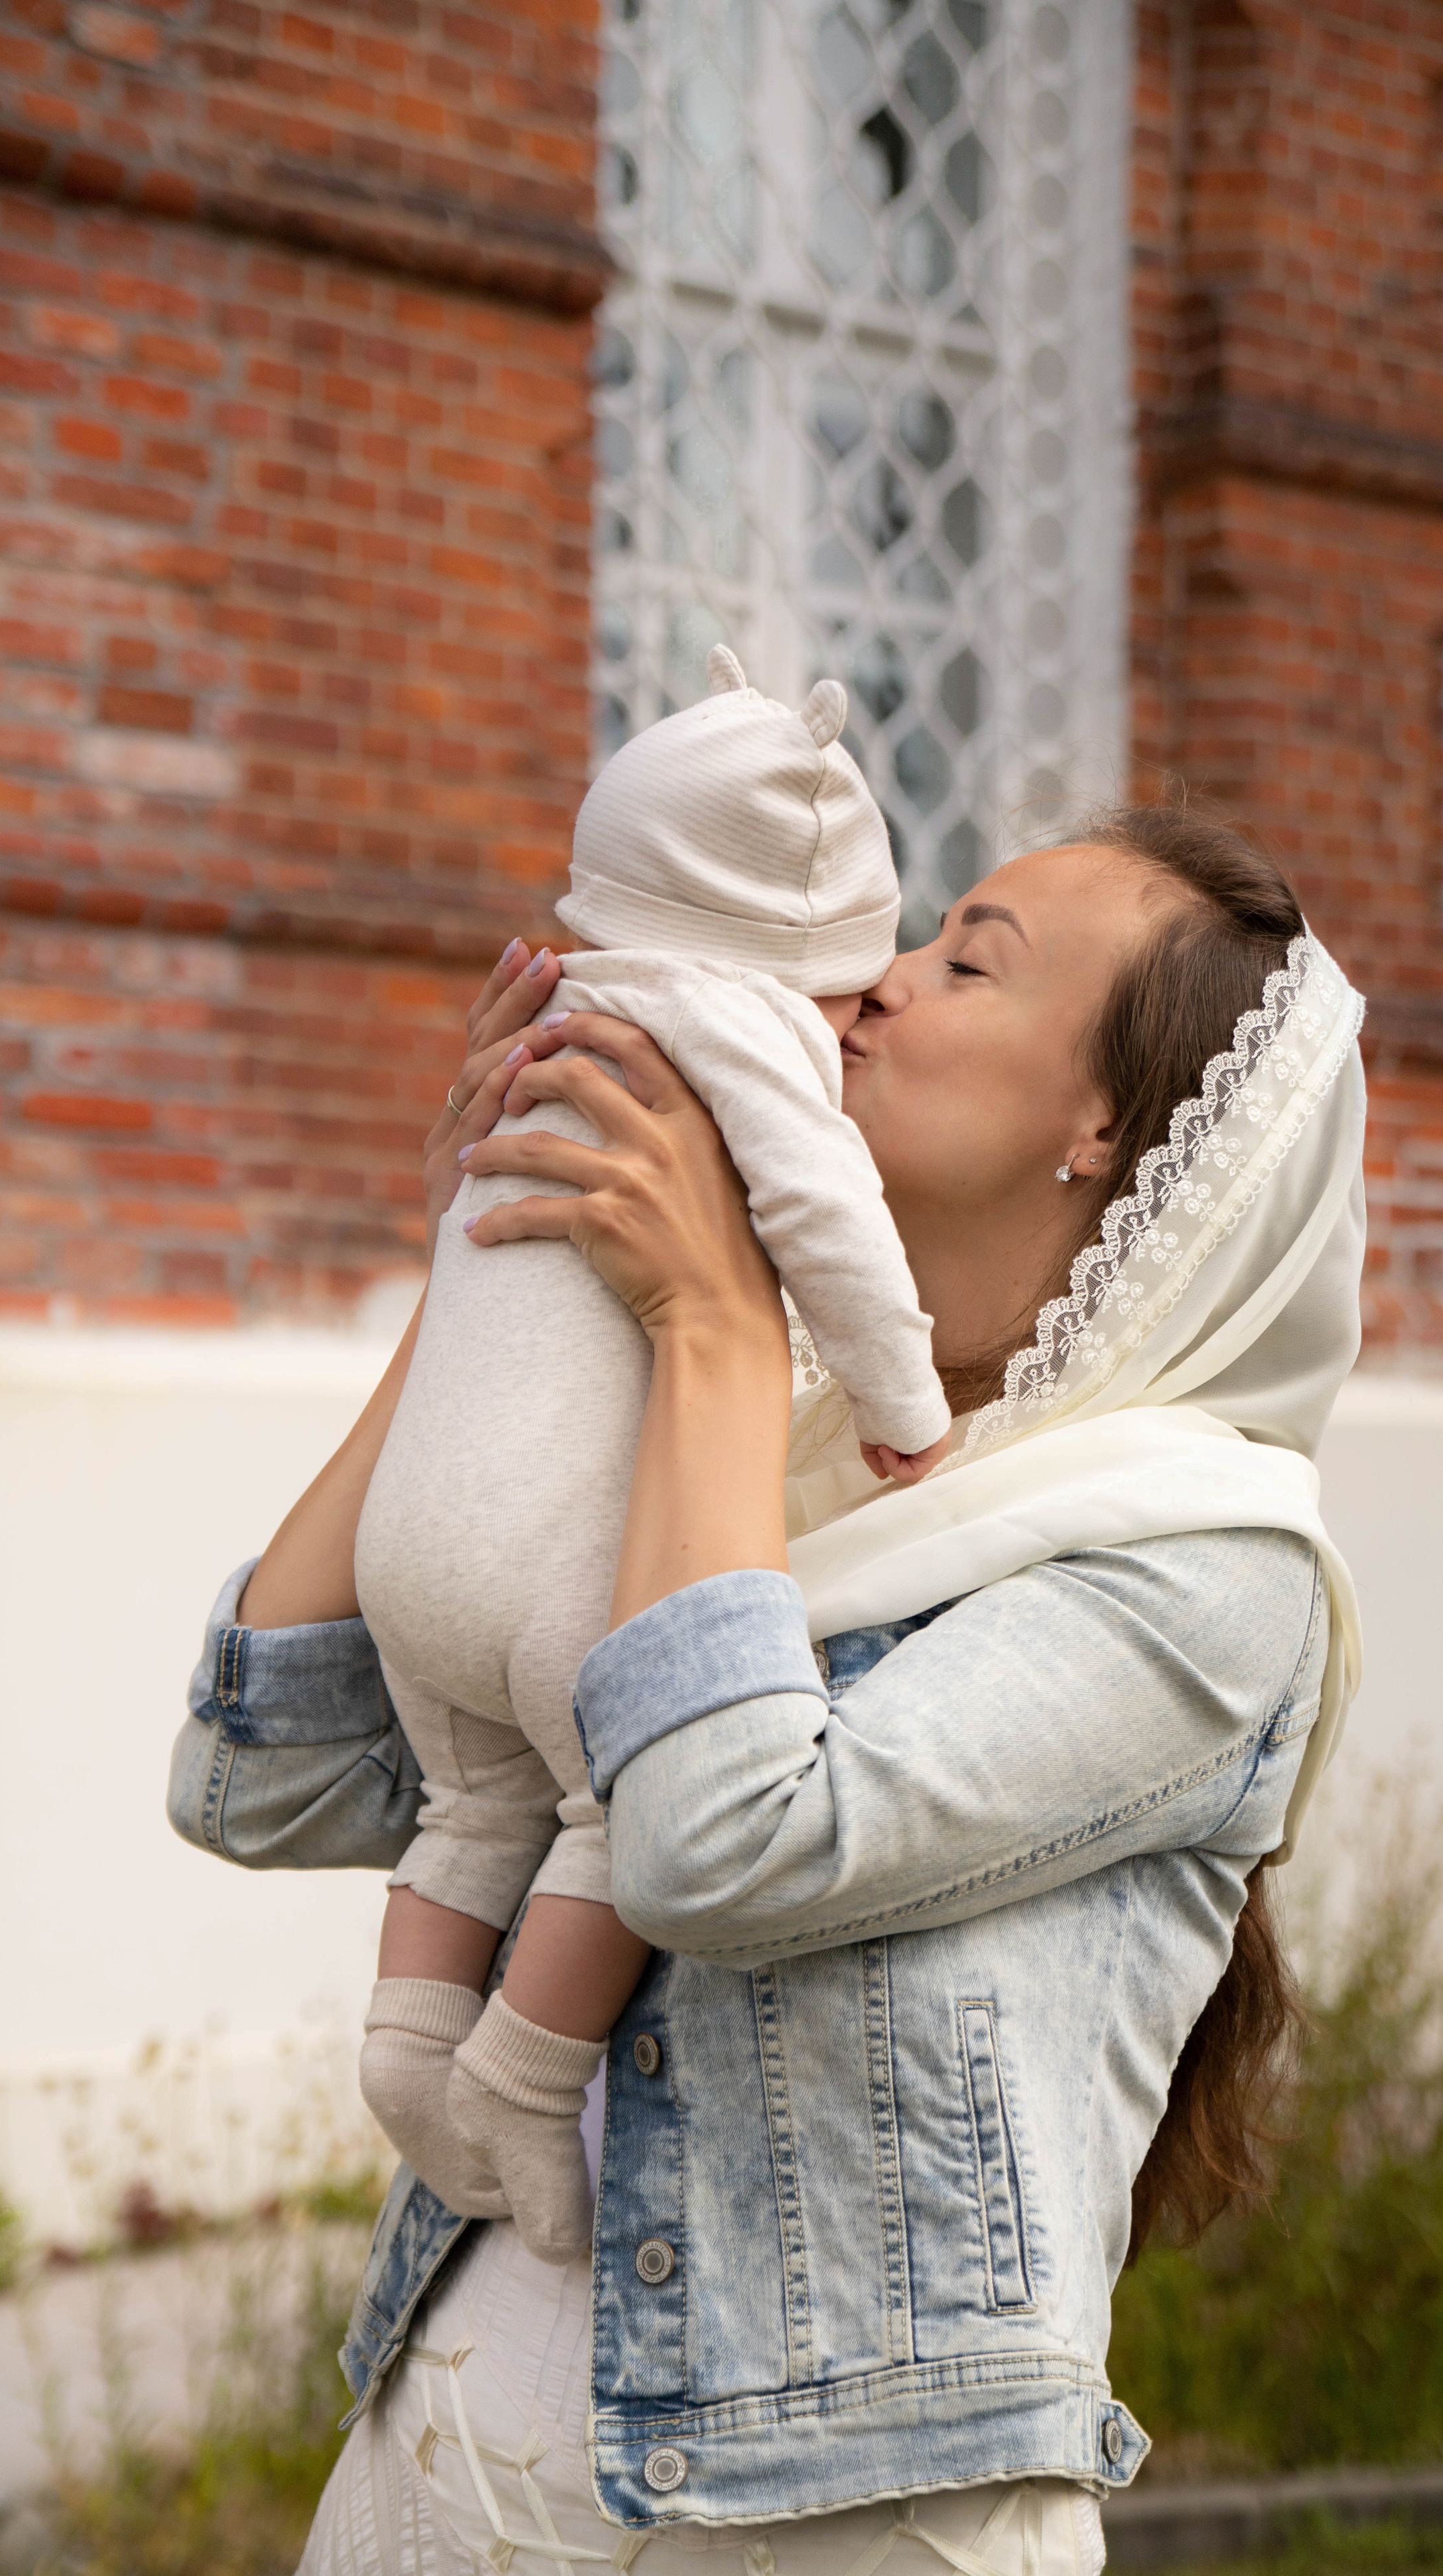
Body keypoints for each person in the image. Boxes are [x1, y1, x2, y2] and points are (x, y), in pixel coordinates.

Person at [168, 800, 1367, 2576]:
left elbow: (724, 1847)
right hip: (427, 2477)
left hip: (824, 2531)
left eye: (969, 959)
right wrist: (489, 1244)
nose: (873, 986)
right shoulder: (758, 1417)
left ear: (1102, 1120)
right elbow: (265, 1774)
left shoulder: (1204, 1575)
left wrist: (716, 1330)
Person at [357, 646, 949, 2265]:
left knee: (467, 1811)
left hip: (401, 1556)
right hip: (556, 1579)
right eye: (859, 981)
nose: (862, 1018)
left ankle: (403, 2047)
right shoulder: (734, 1025)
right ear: (789, 952)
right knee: (608, 1811)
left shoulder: (557, 1002)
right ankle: (518, 2090)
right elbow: (825, 1218)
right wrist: (902, 1399)